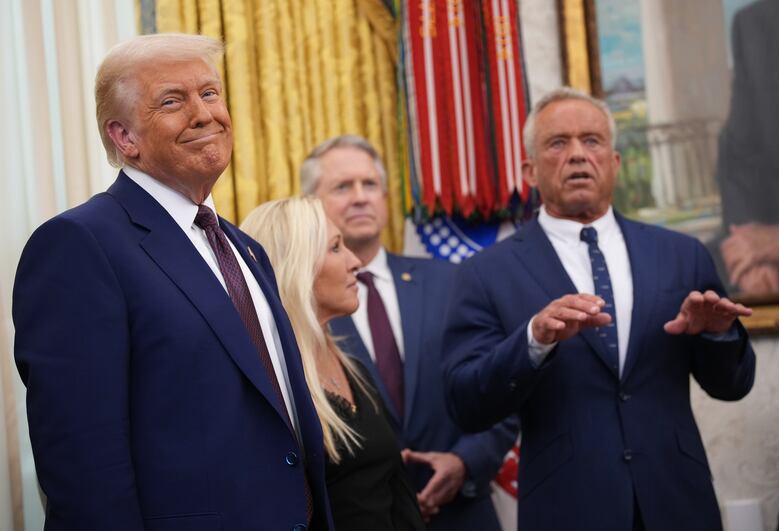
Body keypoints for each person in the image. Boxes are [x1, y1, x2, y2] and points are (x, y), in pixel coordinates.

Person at [13, 34, 330, 531]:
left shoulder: (246, 249)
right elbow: (81, 461)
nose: (205, 114)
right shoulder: (80, 244)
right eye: (172, 101)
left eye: (210, 93)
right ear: (124, 137)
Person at [441, 87, 757, 531]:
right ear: (529, 171)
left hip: (677, 503)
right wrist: (532, 340)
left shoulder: (682, 255)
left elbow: (733, 386)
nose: (576, 155)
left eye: (591, 141)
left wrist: (717, 335)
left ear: (614, 162)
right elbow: (464, 403)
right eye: (558, 143)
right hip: (566, 509)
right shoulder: (484, 273)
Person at [300, 135, 517, 530]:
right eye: (343, 187)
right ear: (312, 204)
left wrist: (465, 461)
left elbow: (498, 386)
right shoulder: (303, 311)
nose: (361, 197)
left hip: (464, 514)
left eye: (370, 185)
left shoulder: (452, 281)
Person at [241, 197, 425, 531]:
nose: (356, 262)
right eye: (337, 248)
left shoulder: (354, 368)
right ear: (298, 266)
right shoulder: (270, 387)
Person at [715, 0, 779, 294]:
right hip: (772, 235)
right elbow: (737, 153)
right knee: (682, 276)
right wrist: (750, 253)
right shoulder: (753, 23)